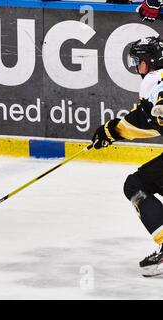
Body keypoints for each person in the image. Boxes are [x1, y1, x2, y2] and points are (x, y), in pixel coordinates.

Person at [91, 36, 163, 277]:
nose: (136, 67)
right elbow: (147, 119)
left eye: (139, 61)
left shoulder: (157, 83)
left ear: (151, 61)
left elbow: (146, 118)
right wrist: (112, 131)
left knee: (135, 185)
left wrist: (111, 131)